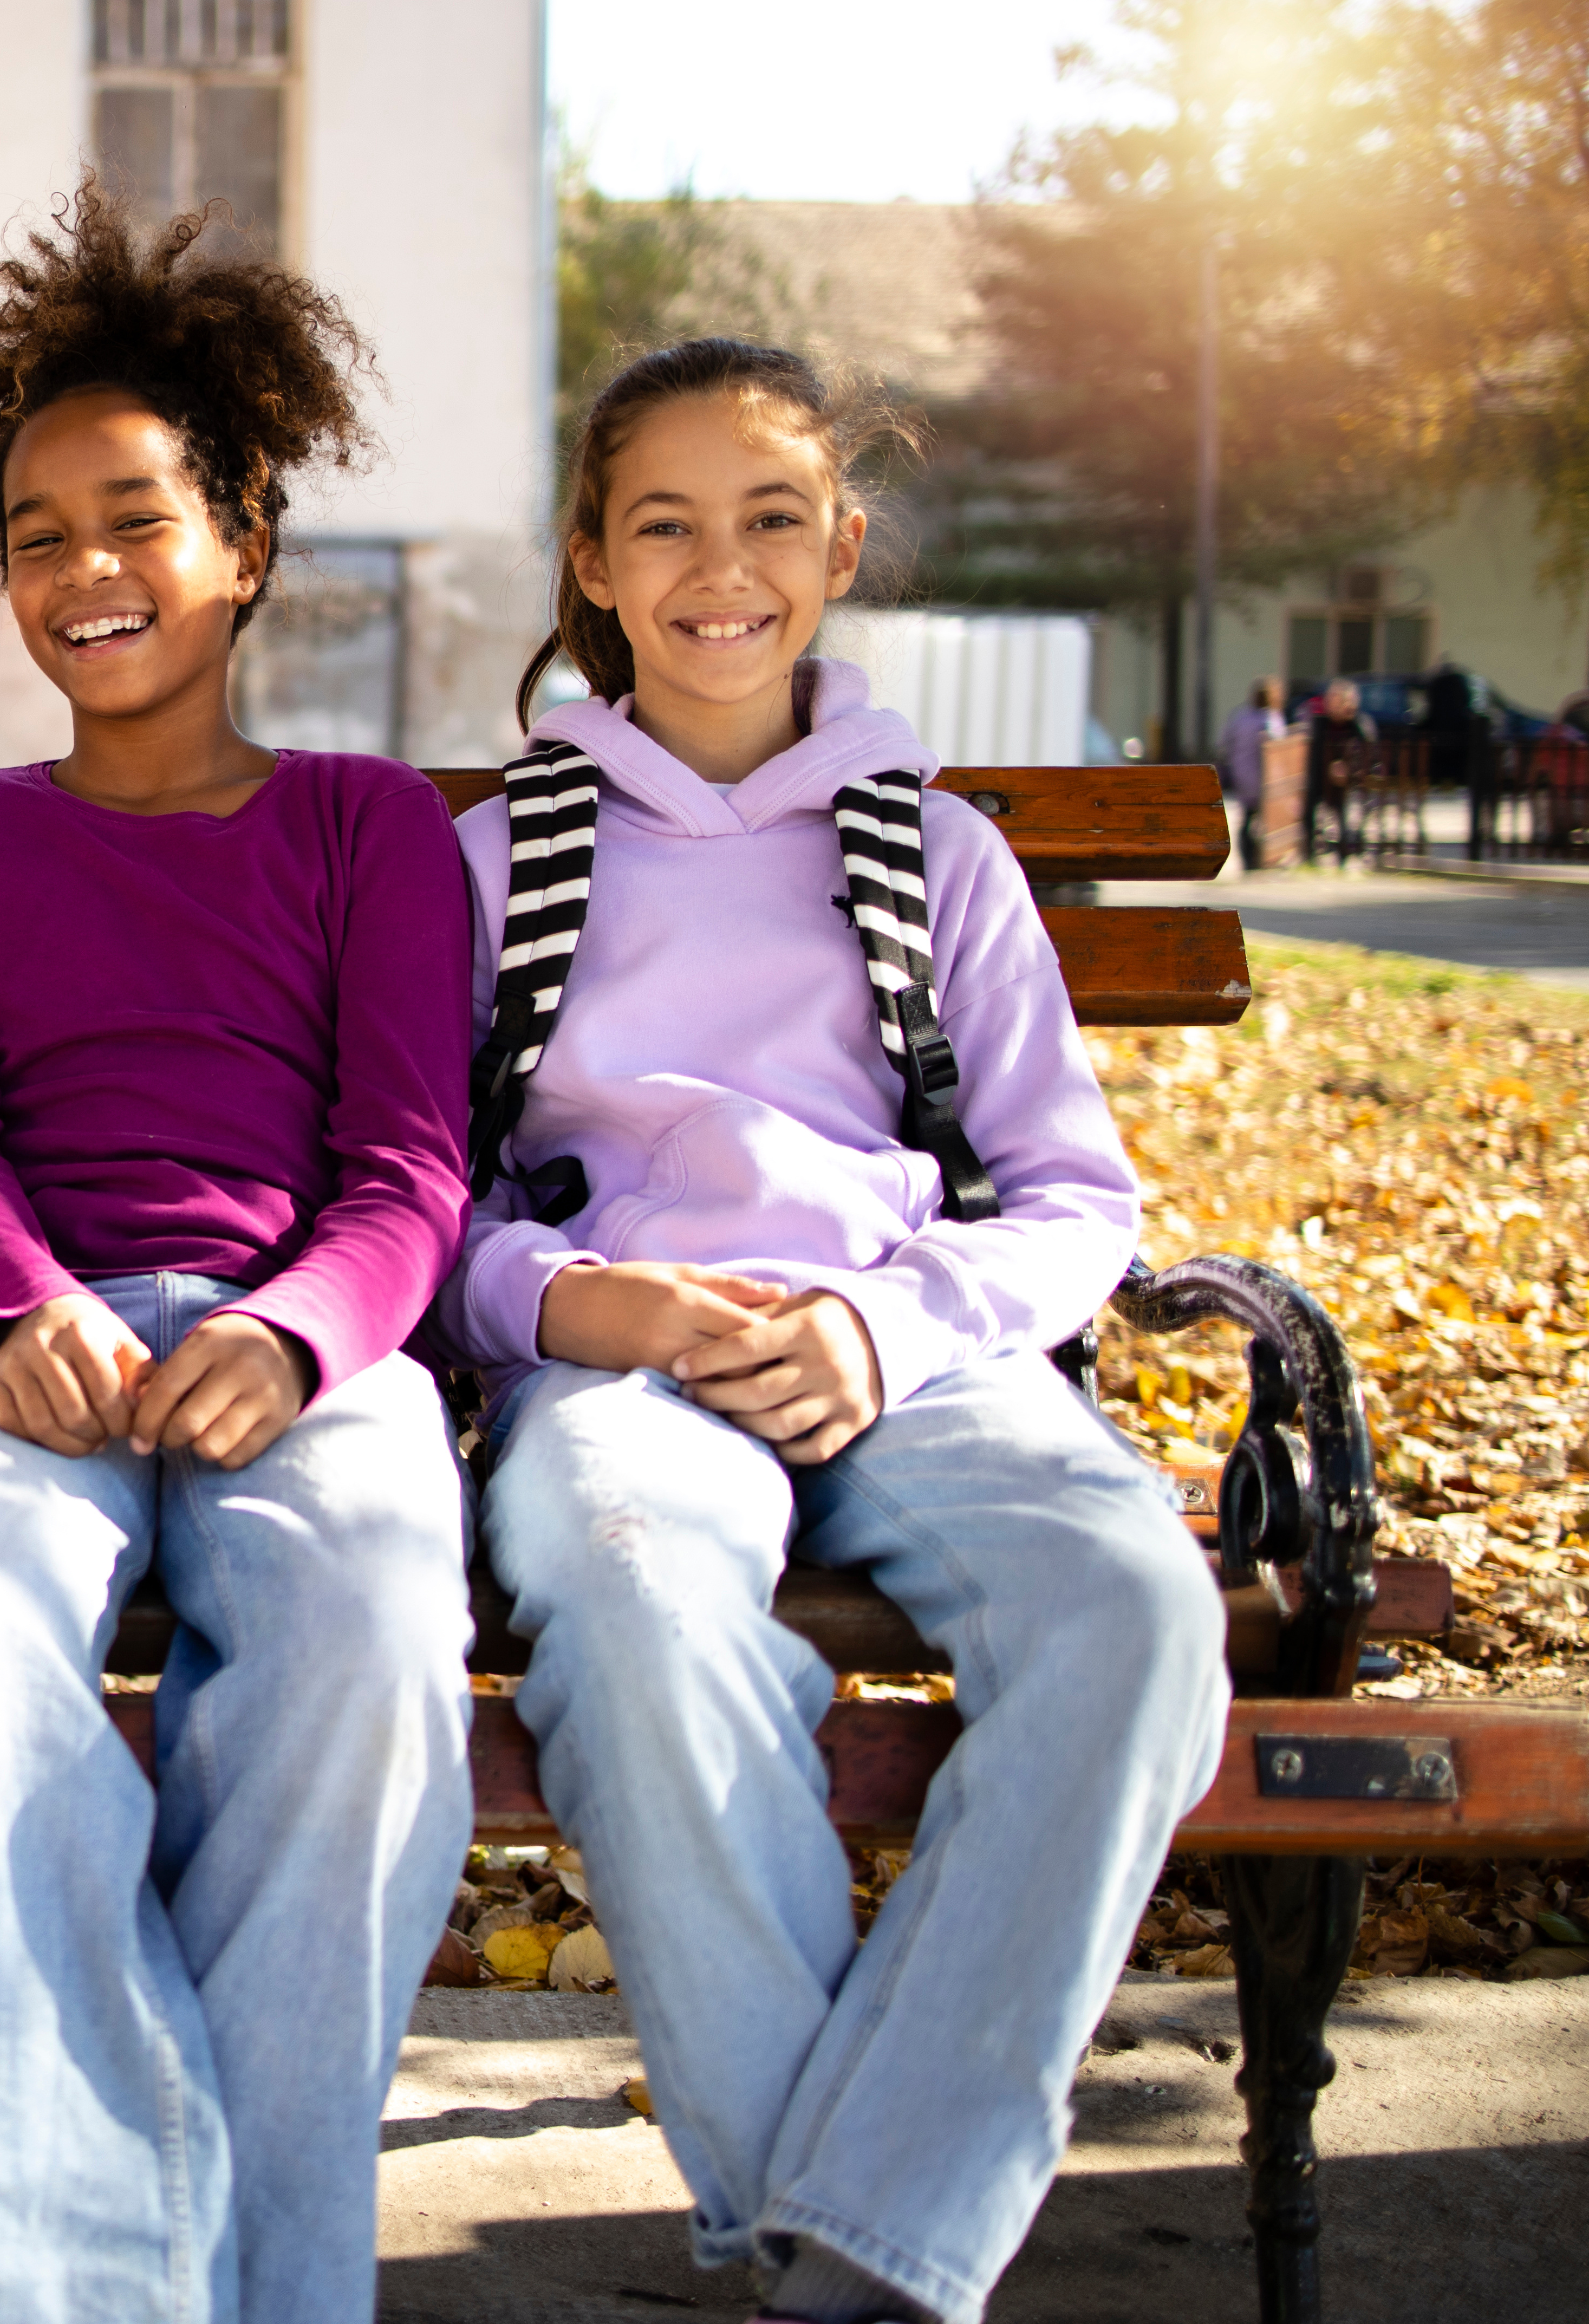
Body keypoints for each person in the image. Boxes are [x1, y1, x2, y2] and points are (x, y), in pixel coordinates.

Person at [443, 337, 1227, 2324]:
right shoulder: (497, 861)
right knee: (624, 1595)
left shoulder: (929, 859)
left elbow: (1070, 1201)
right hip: (623, 1366)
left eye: (770, 517)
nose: (721, 568)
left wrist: (887, 1326)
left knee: (1126, 1603)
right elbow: (412, 1206)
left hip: (912, 1351)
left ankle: (855, 2222)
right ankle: (860, 2251)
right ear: (590, 563)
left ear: (841, 548)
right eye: (663, 524)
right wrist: (571, 1297)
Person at [0, 183, 476, 2323]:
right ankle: (12, 2287)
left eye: (131, 517)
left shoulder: (365, 825)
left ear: (245, 542)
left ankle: (267, 2282)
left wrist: (299, 1340)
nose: (84, 571)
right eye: (35, 531)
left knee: (377, 1635)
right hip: (24, 1346)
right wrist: (9, 1307)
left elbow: (409, 1168)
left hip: (309, 1353)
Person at [1215, 674, 1290, 869]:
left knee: (1247, 818)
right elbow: (1279, 748)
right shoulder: (1271, 719)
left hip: (1241, 776)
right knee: (1264, 821)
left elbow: (1223, 743)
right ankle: (1261, 858)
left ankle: (1247, 859)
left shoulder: (1240, 716)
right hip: (1264, 779)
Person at [1303, 676, 1365, 862]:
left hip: (1347, 782)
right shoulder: (1320, 724)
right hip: (1320, 779)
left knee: (1342, 809)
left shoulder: (1358, 726)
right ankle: (1310, 851)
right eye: (1331, 701)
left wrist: (1348, 769)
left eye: (1338, 701)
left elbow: (1367, 755)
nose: (1333, 706)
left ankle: (1344, 849)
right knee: (1310, 807)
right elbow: (1312, 753)